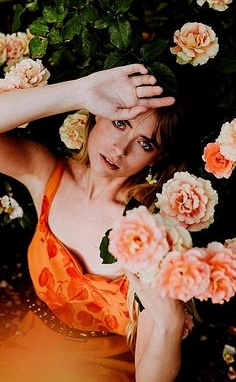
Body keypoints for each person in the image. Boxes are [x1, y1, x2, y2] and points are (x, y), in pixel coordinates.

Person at [0, 63, 187, 382]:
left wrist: (169, 326)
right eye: (119, 122)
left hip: (104, 371)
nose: (120, 148)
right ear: (97, 112)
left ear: (159, 158)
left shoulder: (149, 233)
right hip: (28, 350)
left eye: (145, 143)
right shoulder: (47, 175)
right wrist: (79, 91)